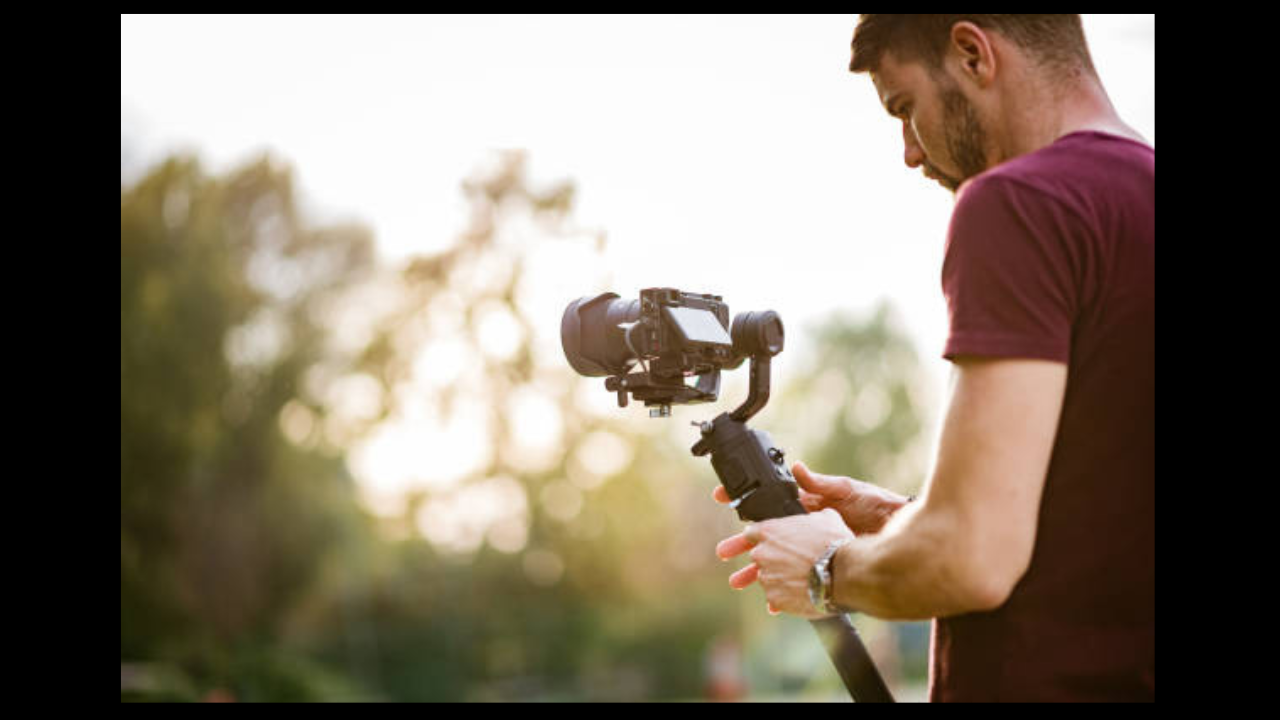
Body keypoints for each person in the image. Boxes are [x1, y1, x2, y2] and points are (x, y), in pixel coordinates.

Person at [713, 15, 1153, 701]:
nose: (910, 153)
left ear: (972, 53)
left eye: (905, 108)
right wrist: (901, 521)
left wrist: (827, 567)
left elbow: (972, 559)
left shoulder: (1019, 205)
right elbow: (1100, 524)